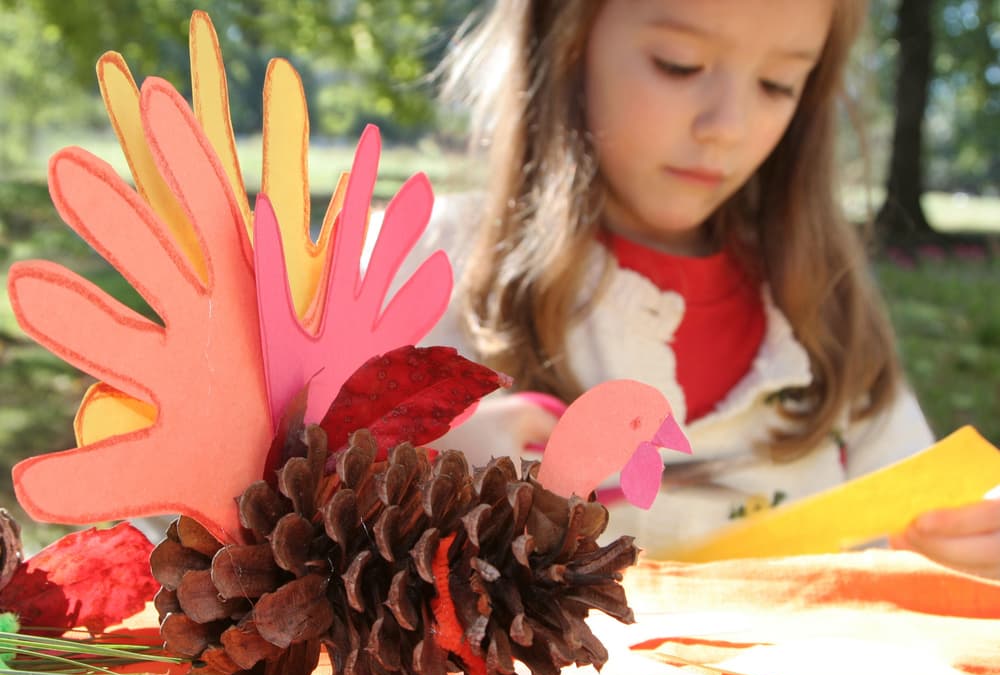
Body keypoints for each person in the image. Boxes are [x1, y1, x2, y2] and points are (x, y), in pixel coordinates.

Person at [384, 0, 1000, 577]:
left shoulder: (823, 303)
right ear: (563, 32)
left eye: (778, 84)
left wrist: (968, 540)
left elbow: (916, 524)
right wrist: (420, 463)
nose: (727, 127)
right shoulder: (428, 264)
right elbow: (315, 506)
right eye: (679, 65)